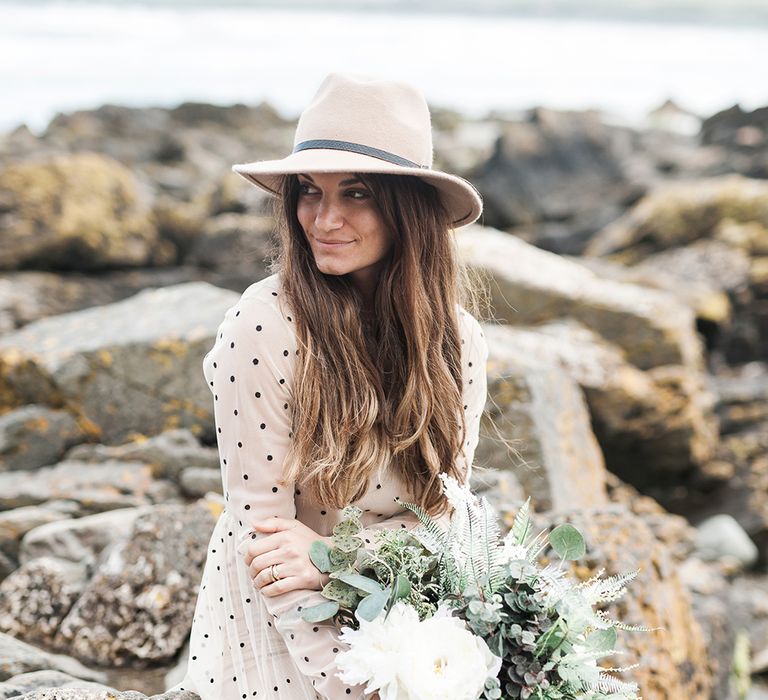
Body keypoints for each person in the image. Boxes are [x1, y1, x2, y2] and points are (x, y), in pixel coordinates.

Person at [169, 72, 489, 699]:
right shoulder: (263, 323)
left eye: (358, 193)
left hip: (401, 623)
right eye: (309, 191)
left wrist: (337, 559)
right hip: (271, 628)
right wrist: (354, 689)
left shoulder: (460, 342)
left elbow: (446, 530)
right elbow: (266, 541)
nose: (324, 217)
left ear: (408, 211)